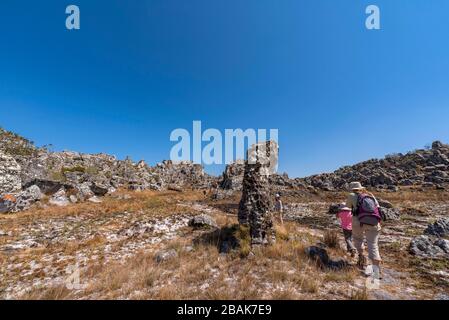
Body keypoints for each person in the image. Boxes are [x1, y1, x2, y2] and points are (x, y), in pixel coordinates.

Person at [346, 182, 382, 275]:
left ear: (352, 189)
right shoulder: (370, 195)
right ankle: (377, 270)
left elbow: (348, 206)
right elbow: (377, 207)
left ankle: (362, 259)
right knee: (373, 244)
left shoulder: (351, 195)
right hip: (373, 221)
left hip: (358, 221)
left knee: (358, 239)